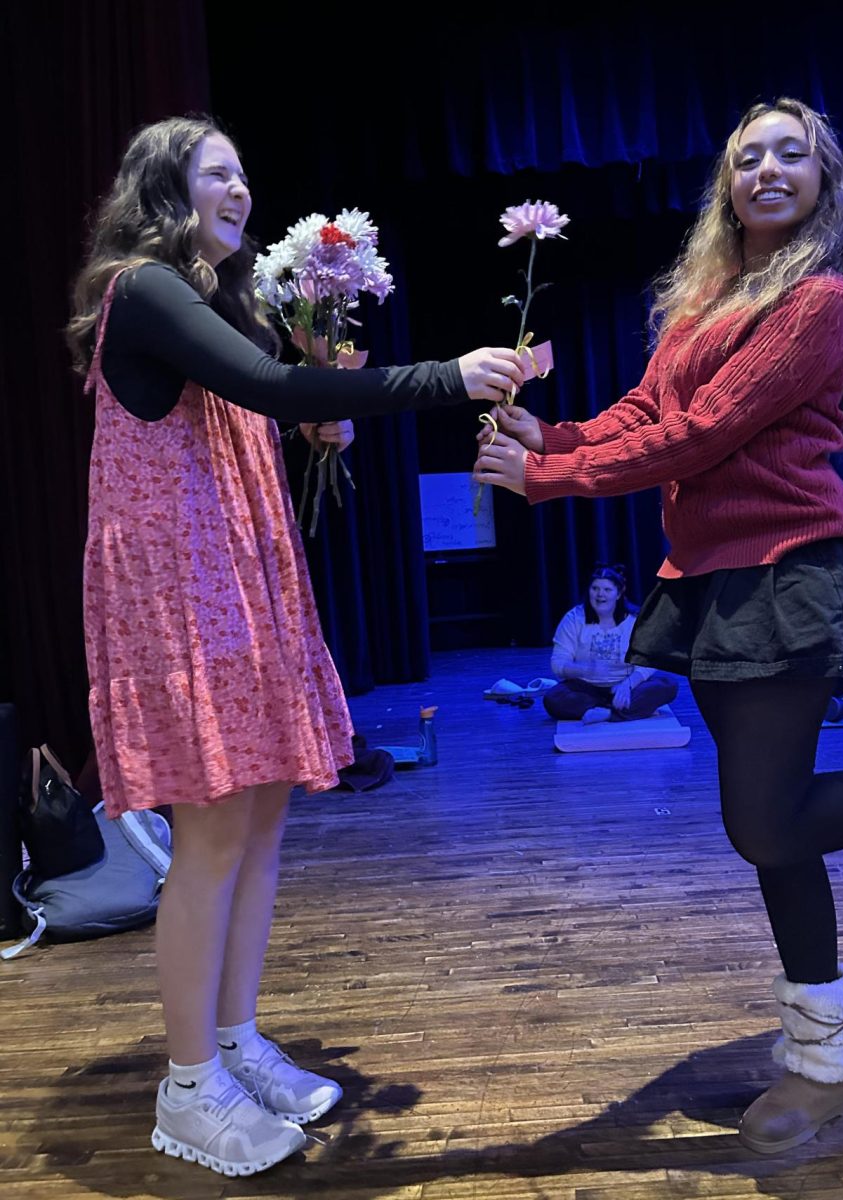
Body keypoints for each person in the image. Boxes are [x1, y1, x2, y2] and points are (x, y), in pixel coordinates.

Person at [474, 98, 843, 1155]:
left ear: (826, 181)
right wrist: (547, 429)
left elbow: (705, 433)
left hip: (788, 570)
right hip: (707, 579)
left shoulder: (820, 297)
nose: (769, 170)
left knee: (767, 825)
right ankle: (824, 1058)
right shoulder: (702, 297)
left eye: (794, 155)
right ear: (728, 184)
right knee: (775, 828)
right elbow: (649, 411)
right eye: (750, 158)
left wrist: (549, 477)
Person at [67, 115, 523, 1177]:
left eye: (241, 174)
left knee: (260, 823)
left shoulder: (207, 300)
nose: (239, 189)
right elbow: (268, 387)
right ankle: (188, 1090)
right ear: (163, 189)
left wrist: (311, 421)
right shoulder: (145, 286)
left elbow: (254, 403)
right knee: (215, 836)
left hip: (236, 582)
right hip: (186, 596)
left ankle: (230, 1042)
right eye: (216, 173)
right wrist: (442, 377)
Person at [544, 563, 678, 723]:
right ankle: (628, 709)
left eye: (607, 590)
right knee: (553, 699)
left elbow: (649, 660)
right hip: (586, 688)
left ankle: (607, 713)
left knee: (668, 685)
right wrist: (585, 670)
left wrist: (627, 685)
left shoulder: (634, 619)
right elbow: (558, 663)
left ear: (619, 593)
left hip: (626, 686)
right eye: (595, 589)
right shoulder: (574, 619)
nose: (600, 595)